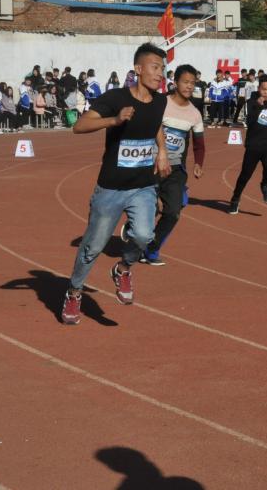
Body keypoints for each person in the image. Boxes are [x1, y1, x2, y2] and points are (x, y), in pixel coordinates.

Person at [62, 43, 171, 324]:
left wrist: (162, 151)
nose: (160, 74)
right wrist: (114, 119)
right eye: (155, 67)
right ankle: (74, 291)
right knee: (92, 247)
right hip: (110, 188)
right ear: (138, 69)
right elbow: (79, 126)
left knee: (144, 236)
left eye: (162, 69)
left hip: (143, 186)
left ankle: (123, 269)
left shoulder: (160, 101)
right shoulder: (115, 98)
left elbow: (156, 124)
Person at [139, 64, 206, 265]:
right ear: (175, 82)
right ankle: (135, 228)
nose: (189, 86)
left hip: (175, 169)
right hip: (149, 163)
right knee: (146, 206)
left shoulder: (195, 114)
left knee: (173, 212)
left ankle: (151, 250)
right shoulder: (161, 102)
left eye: (192, 83)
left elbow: (199, 143)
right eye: (185, 82)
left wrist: (198, 163)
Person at [228, 75, 267, 215]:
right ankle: (235, 199)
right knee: (245, 175)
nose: (266, 92)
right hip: (253, 145)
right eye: (263, 89)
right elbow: (250, 121)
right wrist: (258, 106)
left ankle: (264, 185)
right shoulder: (251, 102)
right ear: (259, 88)